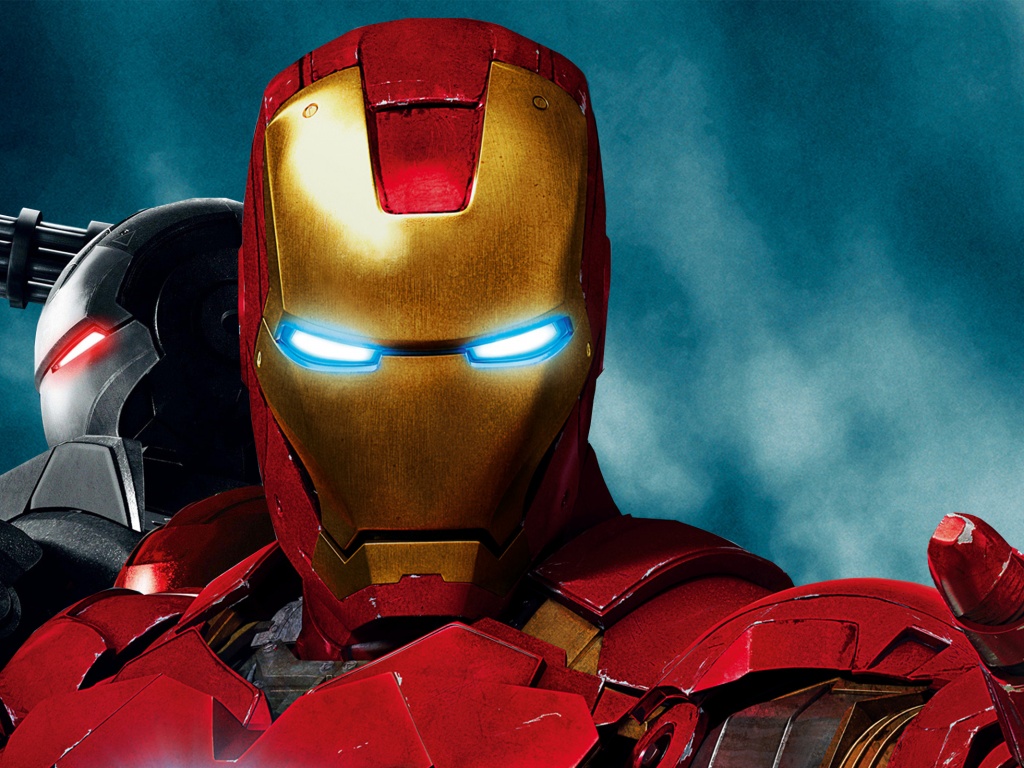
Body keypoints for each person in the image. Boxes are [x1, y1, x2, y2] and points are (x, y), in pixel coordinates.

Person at [0, 18, 1020, 767]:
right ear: (255, 339)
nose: (417, 413)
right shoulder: (116, 642)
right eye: (341, 351)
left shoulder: (703, 653)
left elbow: (882, 722)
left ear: (586, 319)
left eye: (504, 347)